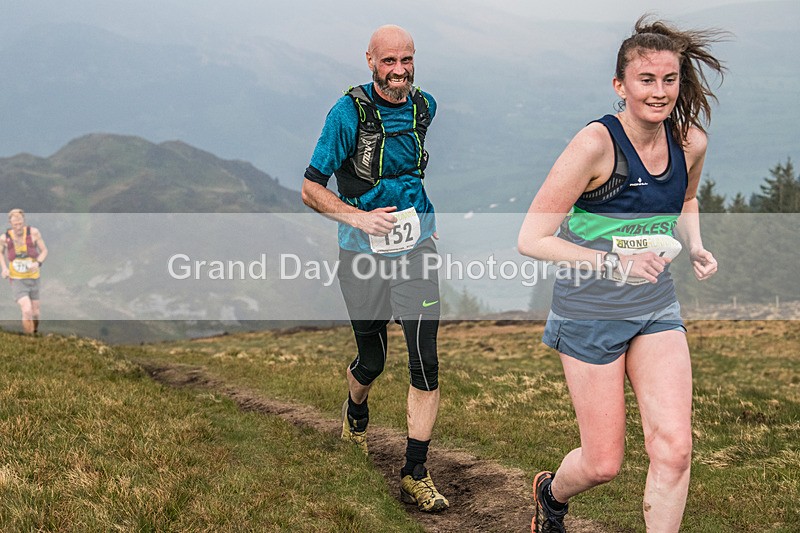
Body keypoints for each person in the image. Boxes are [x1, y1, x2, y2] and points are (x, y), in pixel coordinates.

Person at [518, 16, 725, 533]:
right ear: (620, 85)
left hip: (654, 306)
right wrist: (615, 261)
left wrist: (695, 245)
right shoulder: (595, 145)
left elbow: (688, 197)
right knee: (602, 464)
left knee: (674, 450)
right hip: (589, 313)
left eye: (668, 80)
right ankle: (550, 494)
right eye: (646, 80)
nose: (659, 92)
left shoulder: (690, 143)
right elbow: (531, 239)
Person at [301, 25, 448, 512]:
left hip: (417, 250)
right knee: (372, 361)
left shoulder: (423, 106)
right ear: (370, 60)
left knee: (424, 361)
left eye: (407, 60)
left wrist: (421, 222)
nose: (400, 71)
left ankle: (415, 472)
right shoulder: (347, 114)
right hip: (362, 256)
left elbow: (410, 173)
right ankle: (356, 413)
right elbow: (310, 188)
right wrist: (361, 219)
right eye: (389, 61)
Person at [1, 209, 49, 335]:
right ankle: (29, 339)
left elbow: (44, 251)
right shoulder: (5, 238)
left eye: (20, 224)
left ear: (24, 221)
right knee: (26, 310)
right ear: (10, 224)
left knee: (35, 312)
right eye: (15, 225)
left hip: (33, 278)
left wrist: (38, 263)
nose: (18, 227)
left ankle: (35, 331)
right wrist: (4, 268)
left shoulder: (34, 233)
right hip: (17, 279)